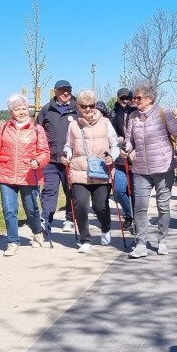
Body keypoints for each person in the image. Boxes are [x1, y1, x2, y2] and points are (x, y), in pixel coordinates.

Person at [123, 80, 177, 258]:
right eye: (133, 97)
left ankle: (162, 241)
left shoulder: (163, 113)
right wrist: (126, 149)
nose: (134, 100)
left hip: (163, 166)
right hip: (140, 168)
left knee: (163, 206)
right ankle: (141, 244)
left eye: (138, 97)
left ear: (150, 98)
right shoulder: (133, 116)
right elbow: (130, 140)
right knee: (140, 207)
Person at [0, 94, 51, 257]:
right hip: (5, 174)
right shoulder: (3, 128)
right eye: (17, 109)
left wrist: (38, 161)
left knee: (32, 209)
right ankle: (13, 242)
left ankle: (37, 232)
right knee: (9, 210)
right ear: (11, 112)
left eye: (23, 108)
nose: (21, 111)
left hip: (28, 175)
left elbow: (45, 152)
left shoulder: (37, 129)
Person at [63, 90, 119, 253]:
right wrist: (66, 154)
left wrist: (112, 157)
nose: (88, 109)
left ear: (95, 105)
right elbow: (69, 145)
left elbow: (115, 145)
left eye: (91, 105)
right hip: (79, 170)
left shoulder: (106, 123)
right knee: (80, 205)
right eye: (83, 106)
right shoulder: (73, 124)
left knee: (100, 206)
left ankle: (106, 227)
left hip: (101, 170)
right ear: (78, 107)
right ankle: (85, 239)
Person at [36, 80, 78, 232]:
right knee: (49, 190)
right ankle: (45, 220)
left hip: (71, 160)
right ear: (55, 92)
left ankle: (69, 218)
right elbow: (38, 132)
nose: (65, 93)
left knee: (71, 190)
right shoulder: (47, 110)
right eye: (62, 90)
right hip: (51, 160)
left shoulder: (77, 108)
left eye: (68, 90)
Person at [109, 88, 137, 232]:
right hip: (121, 158)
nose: (125, 101)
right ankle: (129, 214)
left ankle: (137, 221)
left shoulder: (139, 114)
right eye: (122, 98)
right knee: (119, 190)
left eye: (128, 98)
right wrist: (117, 138)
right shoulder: (116, 115)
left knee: (135, 192)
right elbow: (111, 135)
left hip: (137, 159)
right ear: (118, 99)